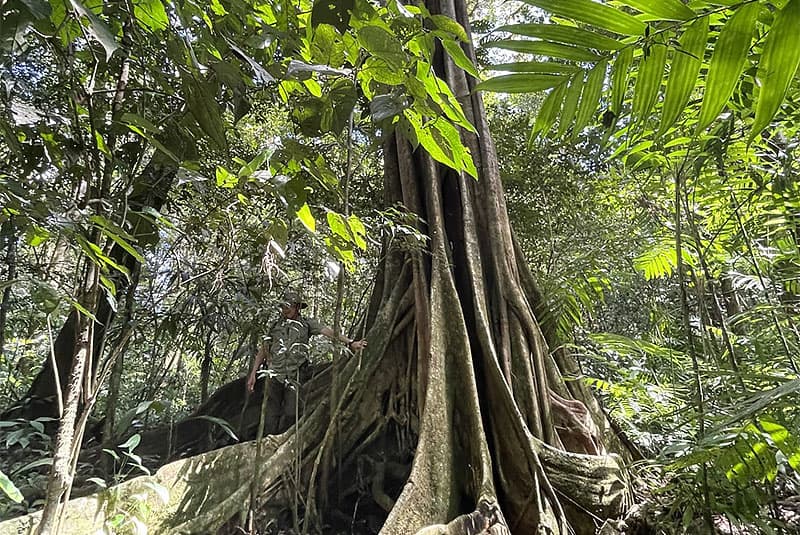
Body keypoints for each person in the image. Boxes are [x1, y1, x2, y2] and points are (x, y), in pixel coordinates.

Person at [245, 289, 367, 433]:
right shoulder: (275, 326)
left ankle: (286, 440)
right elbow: (263, 349)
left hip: (295, 375)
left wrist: (350, 342)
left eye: (289, 306)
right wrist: (253, 373)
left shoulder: (306, 324)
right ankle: (267, 440)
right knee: (270, 414)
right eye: (284, 306)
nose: (286, 309)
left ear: (297, 307)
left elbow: (327, 331)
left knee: (292, 412)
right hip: (274, 375)